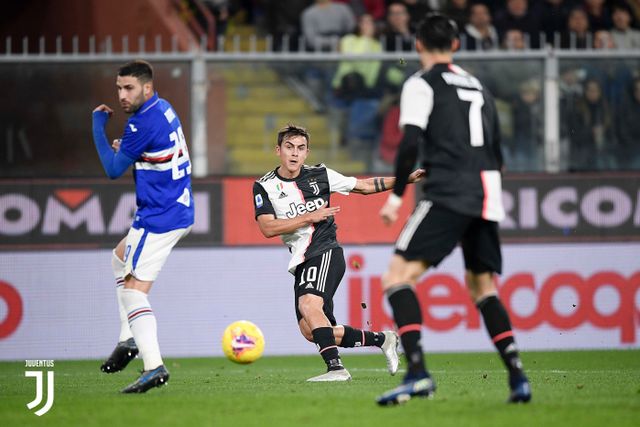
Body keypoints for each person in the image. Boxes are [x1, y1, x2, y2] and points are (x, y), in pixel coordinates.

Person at [375, 13, 532, 405]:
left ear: (418, 45)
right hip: (487, 191)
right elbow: (498, 151)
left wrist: (396, 196)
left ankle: (417, 373)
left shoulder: (421, 82)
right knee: (483, 288)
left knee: (396, 278)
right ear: (457, 45)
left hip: (449, 190)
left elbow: (409, 143)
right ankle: (518, 378)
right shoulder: (477, 85)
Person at [253, 124, 425, 381]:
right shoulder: (264, 186)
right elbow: (267, 227)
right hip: (301, 259)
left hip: (324, 250)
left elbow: (364, 186)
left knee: (308, 304)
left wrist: (405, 180)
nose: (294, 153)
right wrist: (309, 216)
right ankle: (383, 339)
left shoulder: (321, 174)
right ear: (278, 150)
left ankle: (336, 368)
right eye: (289, 147)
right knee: (311, 330)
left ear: (307, 152)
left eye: (300, 148)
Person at [92, 60, 194, 393]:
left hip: (160, 216)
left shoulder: (141, 124)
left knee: (135, 292)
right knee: (119, 258)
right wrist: (133, 152)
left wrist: (97, 126)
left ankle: (154, 367)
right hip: (175, 205)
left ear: (146, 88)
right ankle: (127, 340)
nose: (122, 95)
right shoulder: (162, 109)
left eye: (129, 88)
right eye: (119, 88)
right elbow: (149, 152)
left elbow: (111, 170)